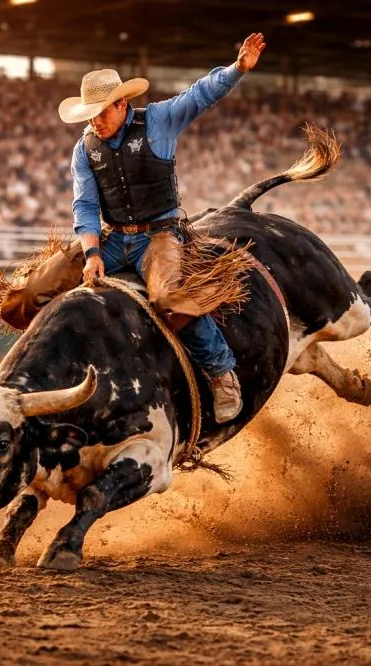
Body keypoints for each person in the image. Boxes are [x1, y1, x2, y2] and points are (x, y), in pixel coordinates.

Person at [56, 33, 266, 424]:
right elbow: (84, 204)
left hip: (160, 235)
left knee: (170, 298)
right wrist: (92, 252)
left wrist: (237, 69)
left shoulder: (158, 119)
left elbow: (200, 94)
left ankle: (222, 373)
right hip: (114, 238)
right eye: (90, 114)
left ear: (123, 104)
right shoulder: (85, 148)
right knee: (38, 286)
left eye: (102, 112)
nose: (95, 121)